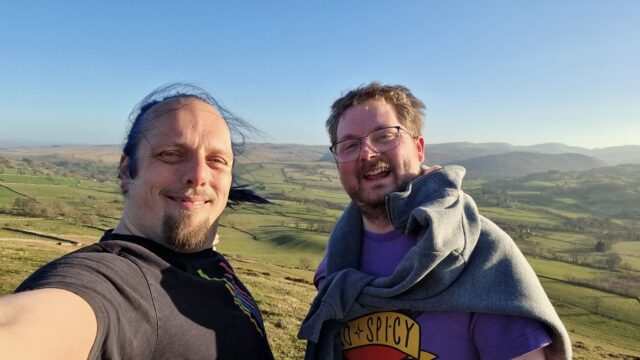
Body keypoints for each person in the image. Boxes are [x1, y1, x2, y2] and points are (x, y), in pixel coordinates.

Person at [0, 84, 275, 359]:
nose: (199, 174)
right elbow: (34, 327)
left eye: (217, 160)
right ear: (126, 171)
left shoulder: (204, 262)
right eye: (171, 154)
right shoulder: (112, 282)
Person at [298, 82, 571, 359]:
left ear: (419, 148)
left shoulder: (484, 255)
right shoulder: (339, 254)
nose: (367, 153)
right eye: (350, 144)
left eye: (383, 136)